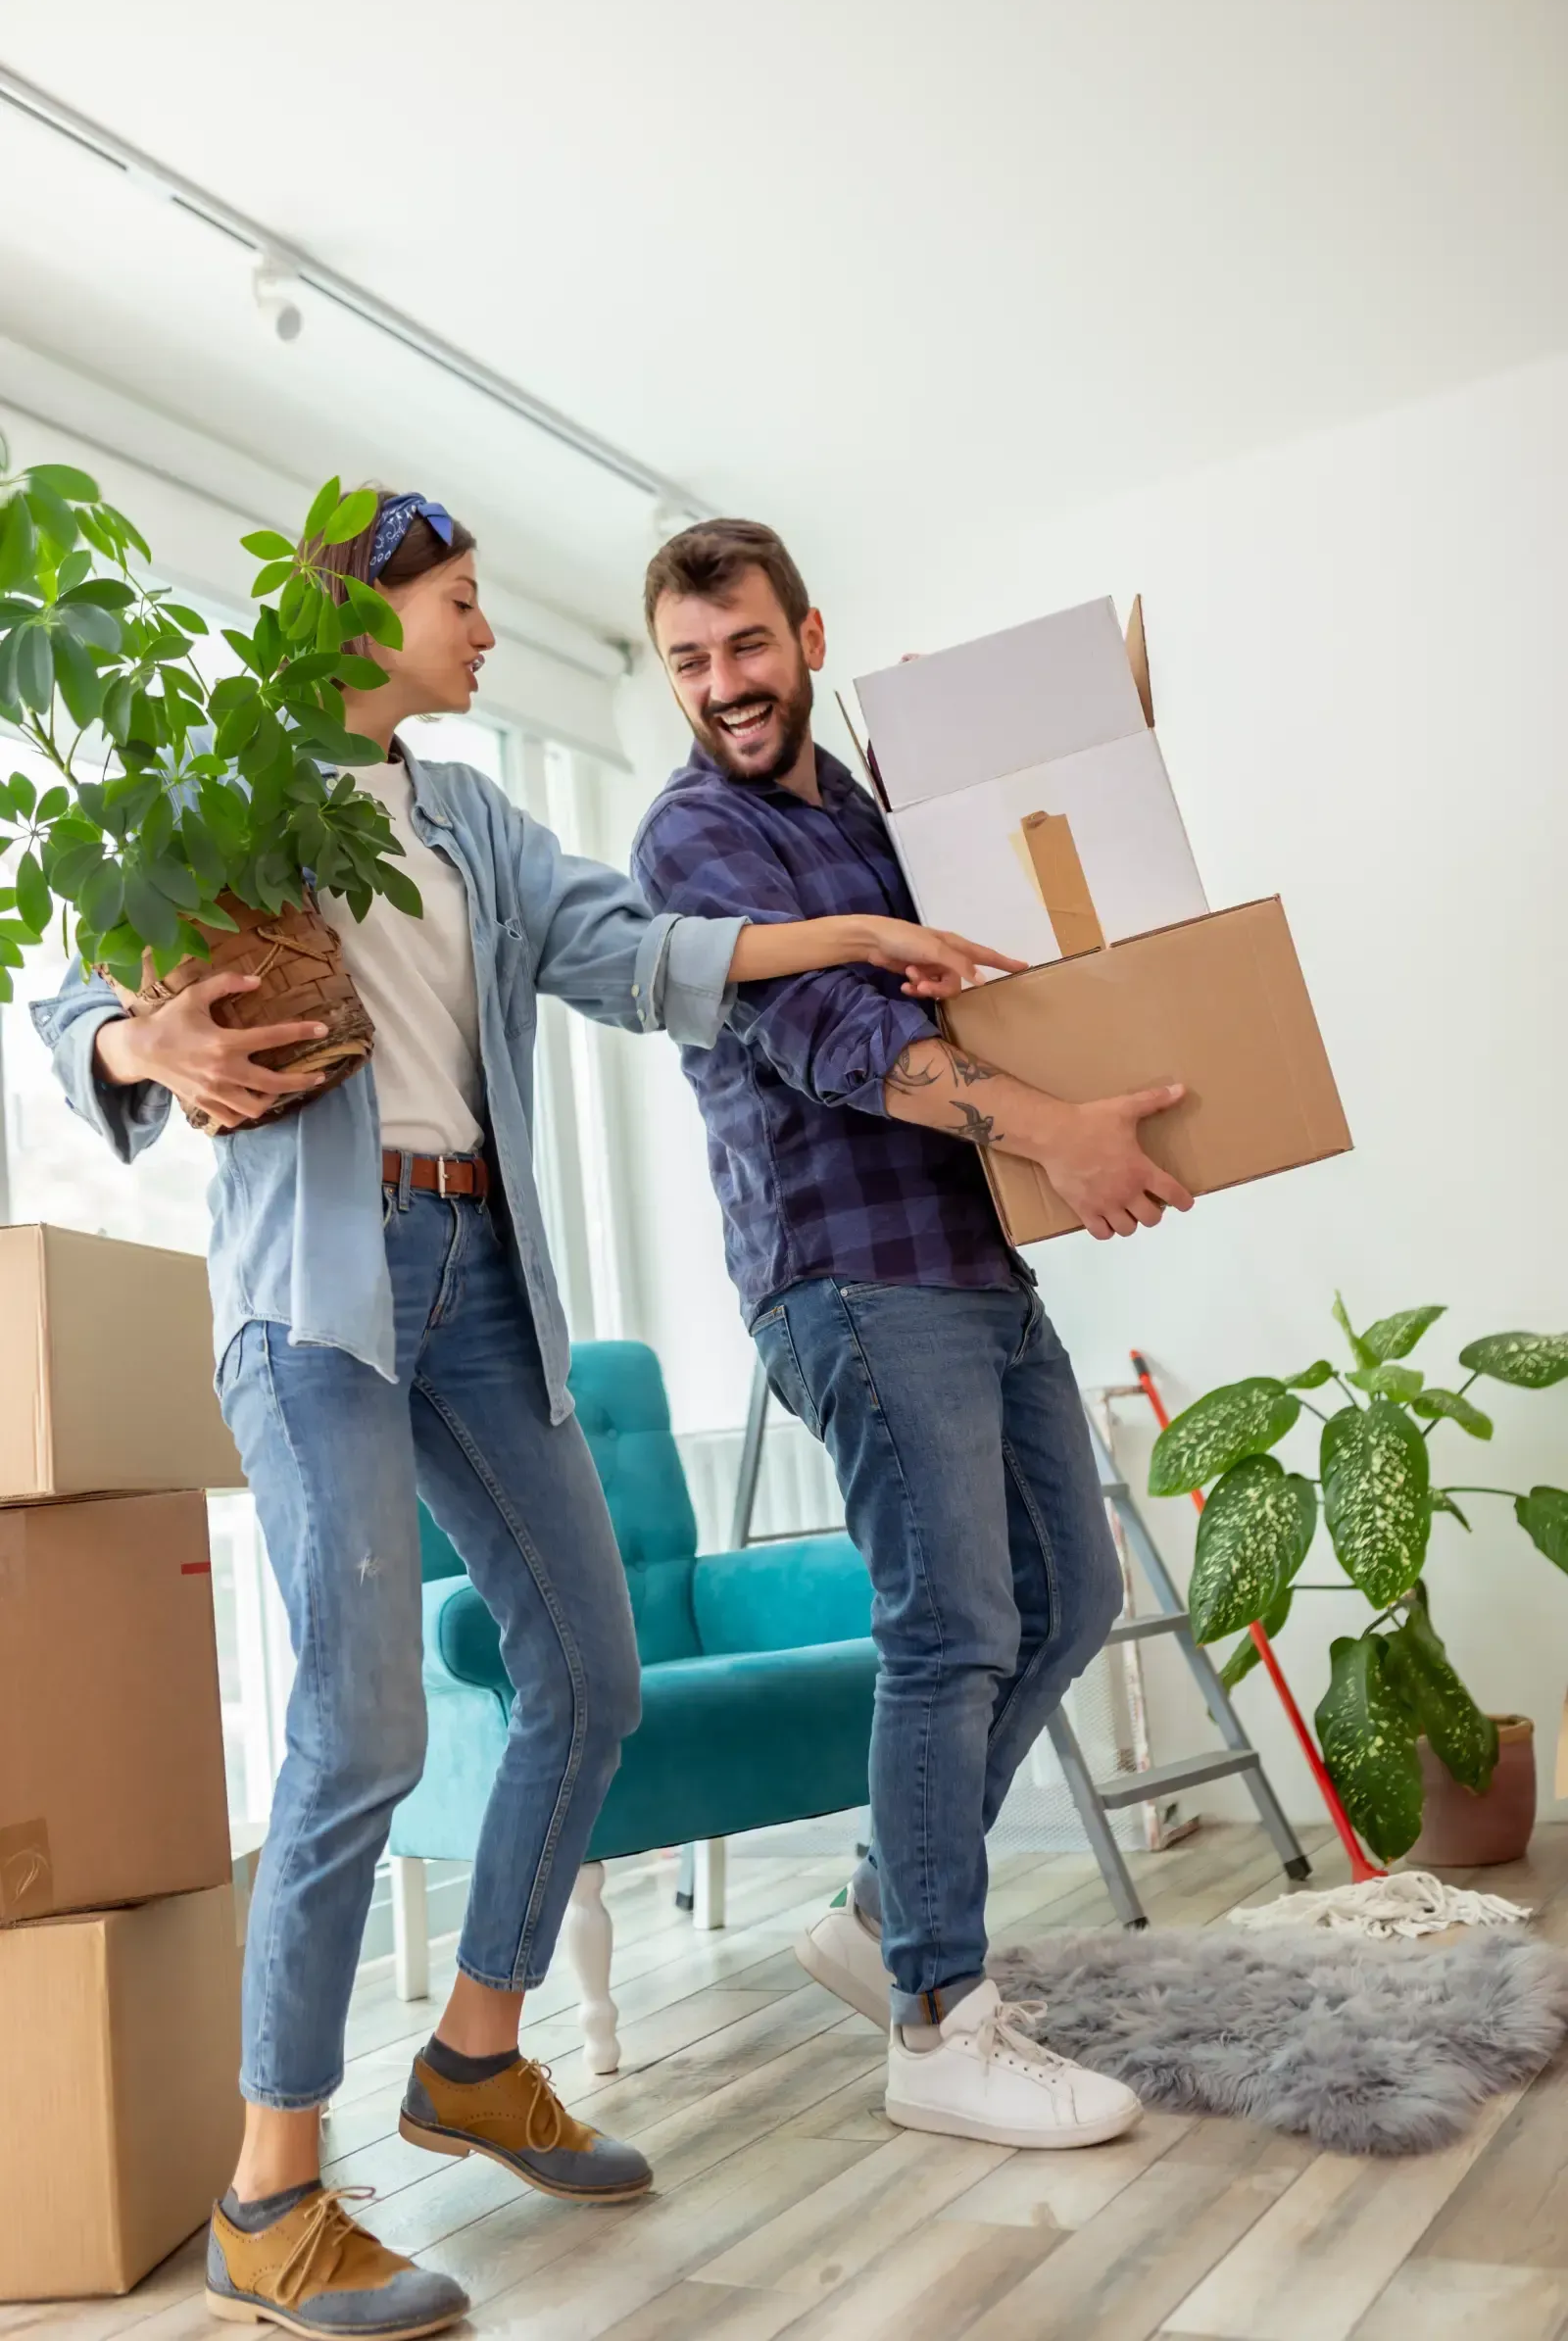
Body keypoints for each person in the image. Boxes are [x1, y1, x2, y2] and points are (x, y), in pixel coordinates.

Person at [33, 491, 1019, 2341]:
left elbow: (643, 956)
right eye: (462, 602)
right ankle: (269, 2193)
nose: (486, 633)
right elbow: (67, 989)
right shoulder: (235, 794)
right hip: (320, 1302)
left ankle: (477, 2049)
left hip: (485, 1282)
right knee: (359, 1728)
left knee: (596, 1672)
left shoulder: (473, 819)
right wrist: (133, 1043)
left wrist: (857, 934)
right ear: (366, 616)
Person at [633, 518, 1196, 2153]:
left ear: (806, 635)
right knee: (948, 1623)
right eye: (688, 661)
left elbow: (998, 969)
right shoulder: (695, 842)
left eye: (745, 646)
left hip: (969, 1250)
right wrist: (1058, 1134)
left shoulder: (870, 815)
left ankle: (885, 1907)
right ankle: (938, 2021)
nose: (724, 687)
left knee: (1070, 1591)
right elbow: (832, 1034)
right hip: (851, 1272)